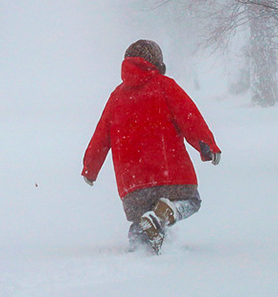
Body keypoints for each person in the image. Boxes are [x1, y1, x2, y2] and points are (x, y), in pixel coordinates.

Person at [81, 39, 221, 254]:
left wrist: (90, 169)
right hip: (169, 173)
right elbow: (189, 118)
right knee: (191, 201)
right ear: (156, 62)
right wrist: (207, 145)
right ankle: (166, 212)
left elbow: (100, 137)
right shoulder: (165, 86)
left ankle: (141, 250)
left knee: (141, 220)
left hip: (133, 183)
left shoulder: (116, 97)